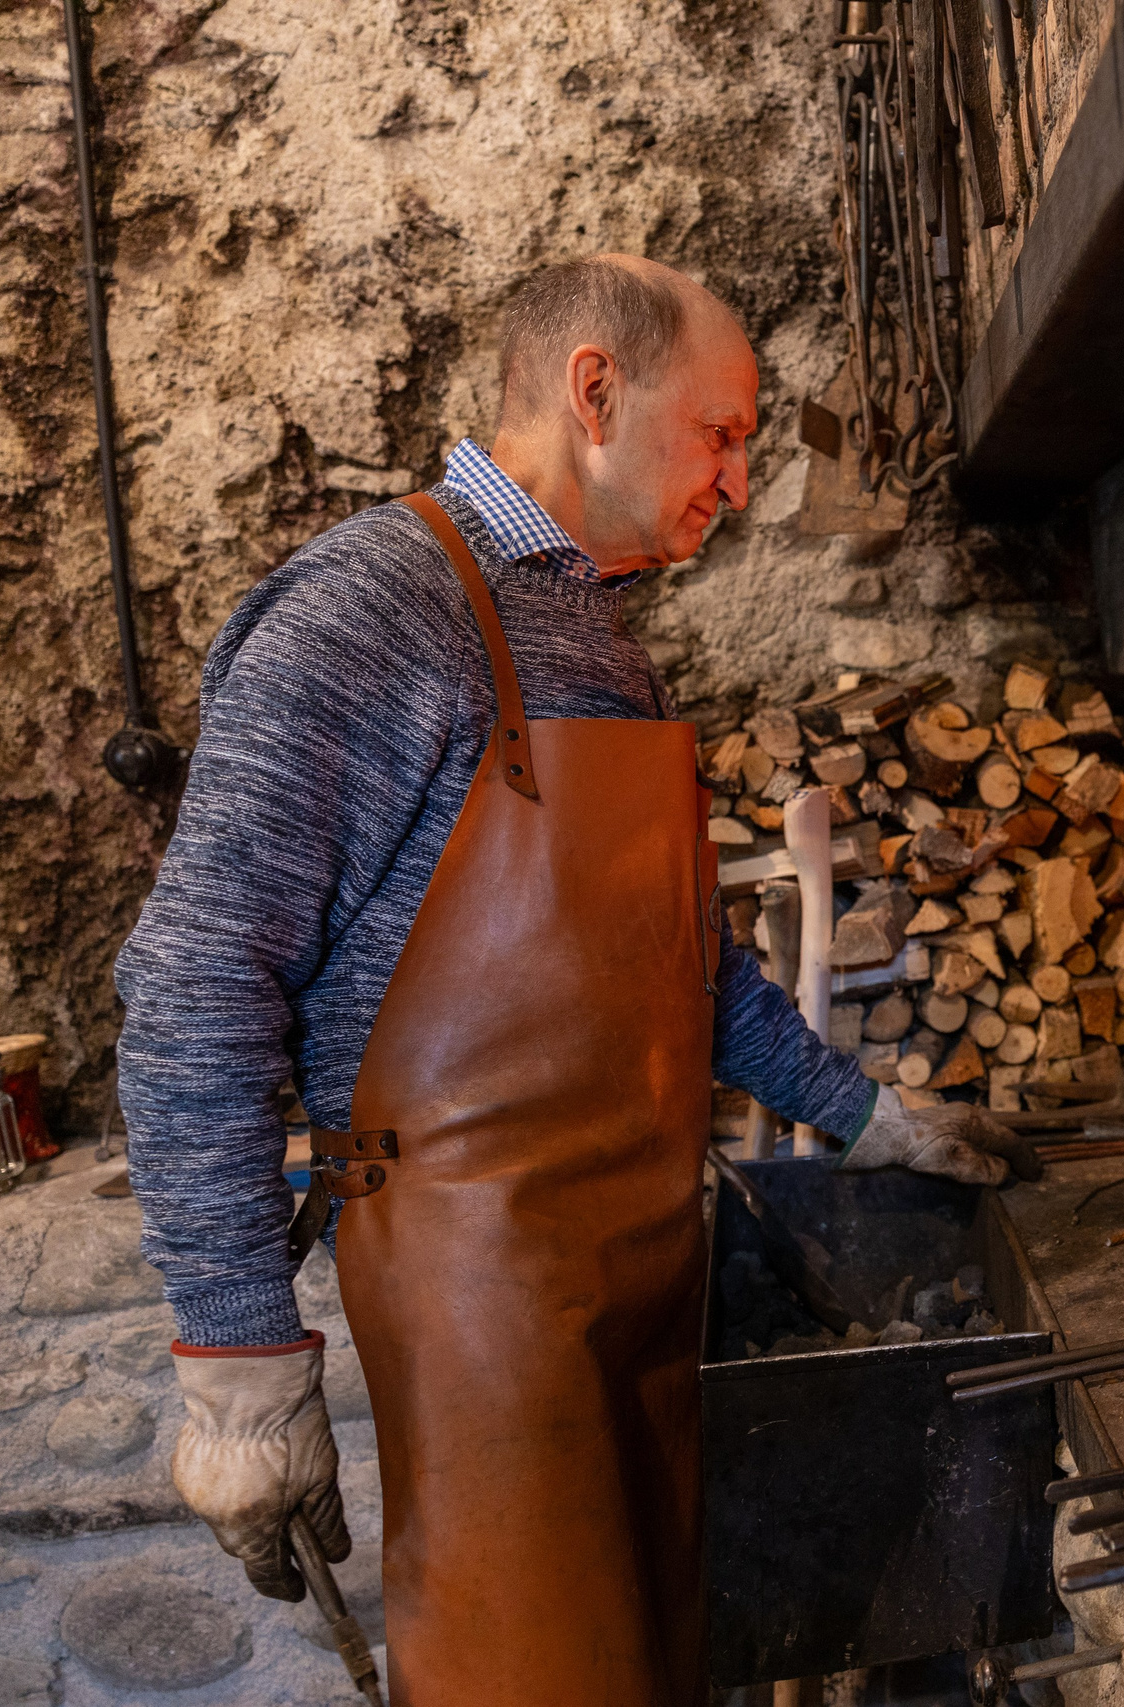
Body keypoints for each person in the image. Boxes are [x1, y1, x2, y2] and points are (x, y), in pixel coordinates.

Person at [116, 255, 1023, 1704]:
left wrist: (866, 1118)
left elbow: (679, 965)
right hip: (483, 1301)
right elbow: (193, 986)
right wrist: (236, 1359)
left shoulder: (598, 642)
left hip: (644, 1269)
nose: (741, 483)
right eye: (723, 433)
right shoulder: (367, 612)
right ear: (596, 392)